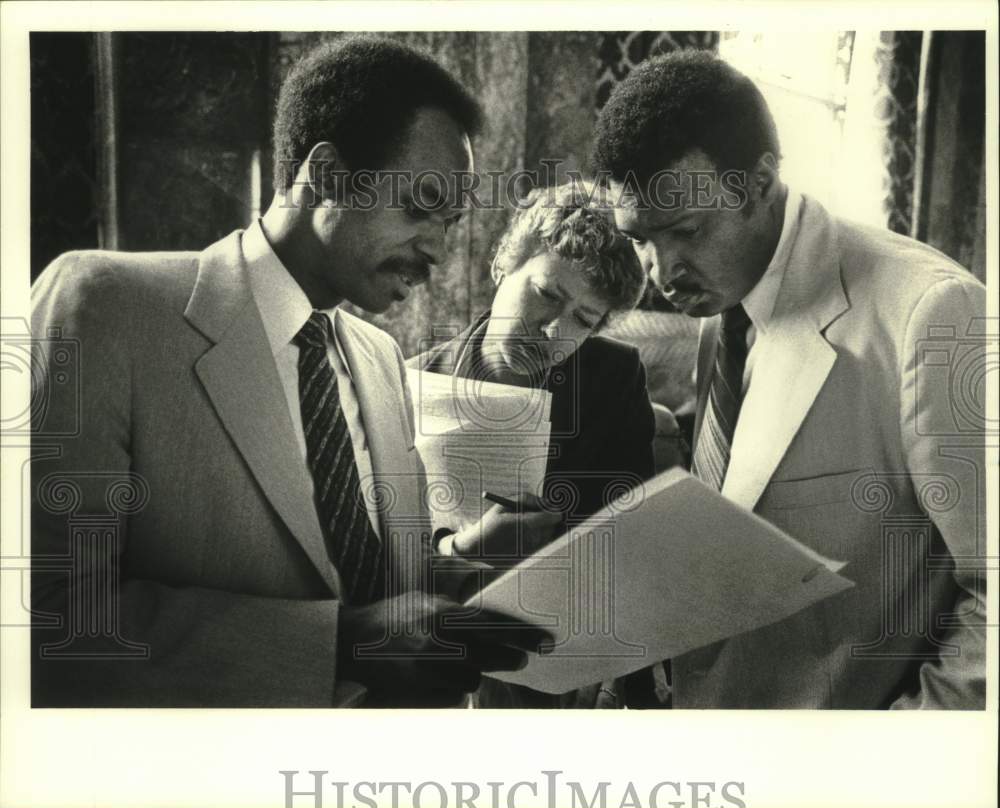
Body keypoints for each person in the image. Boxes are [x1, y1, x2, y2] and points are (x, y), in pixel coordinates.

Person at [30, 36, 554, 709]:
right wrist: (339, 644)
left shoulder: (379, 356)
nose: (438, 251)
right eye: (422, 206)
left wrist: (468, 562)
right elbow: (47, 617)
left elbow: (372, 580)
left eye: (450, 224)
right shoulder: (103, 304)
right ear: (330, 174)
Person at [591, 50, 987, 709]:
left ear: (761, 182)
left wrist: (903, 757)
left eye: (687, 230)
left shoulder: (932, 313)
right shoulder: (727, 312)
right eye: (640, 238)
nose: (661, 272)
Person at [409, 182, 656, 706]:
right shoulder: (406, 382)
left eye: (583, 321)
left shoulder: (614, 381)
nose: (552, 333)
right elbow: (384, 564)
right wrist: (463, 550)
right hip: (433, 655)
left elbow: (629, 538)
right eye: (547, 295)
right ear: (505, 264)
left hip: (560, 669)